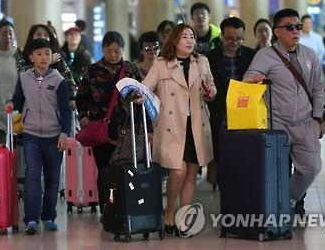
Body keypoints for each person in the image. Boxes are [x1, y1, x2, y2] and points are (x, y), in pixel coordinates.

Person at [243, 8, 325, 216]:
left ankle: (288, 199)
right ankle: (277, 207)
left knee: (311, 167)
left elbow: (318, 88)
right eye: (290, 27)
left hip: (306, 123)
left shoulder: (310, 55)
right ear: (277, 31)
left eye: (298, 26)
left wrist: (317, 119)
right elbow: (248, 81)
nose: (296, 31)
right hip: (277, 123)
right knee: (276, 171)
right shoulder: (265, 55)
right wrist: (255, 80)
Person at [141, 23, 215, 236]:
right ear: (173, 40)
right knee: (178, 170)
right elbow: (146, 87)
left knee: (191, 173)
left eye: (192, 36)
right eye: (184, 37)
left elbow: (212, 89)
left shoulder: (202, 62)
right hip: (172, 127)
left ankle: (184, 216)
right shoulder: (161, 64)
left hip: (196, 125)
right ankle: (169, 210)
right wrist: (138, 95)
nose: (190, 40)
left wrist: (210, 91)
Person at [5, 38, 72, 234]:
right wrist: (11, 104)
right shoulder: (24, 78)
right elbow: (18, 99)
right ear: (31, 57)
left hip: (54, 137)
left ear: (52, 57)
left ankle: (49, 216)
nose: (44, 57)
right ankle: (31, 220)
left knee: (52, 179)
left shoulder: (59, 80)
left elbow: (65, 110)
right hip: (31, 135)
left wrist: (64, 134)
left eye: (47, 54)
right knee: (32, 176)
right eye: (39, 54)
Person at [76, 31, 145, 212]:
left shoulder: (132, 70)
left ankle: (126, 206)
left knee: (127, 170)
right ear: (103, 49)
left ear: (123, 50)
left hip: (129, 130)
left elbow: (145, 97)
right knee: (105, 171)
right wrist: (83, 117)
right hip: (102, 132)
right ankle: (107, 207)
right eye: (109, 50)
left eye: (117, 51)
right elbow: (81, 98)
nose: (113, 55)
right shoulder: (92, 71)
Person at [205, 17, 256, 190]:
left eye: (238, 38)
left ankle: (241, 181)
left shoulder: (251, 55)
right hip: (219, 109)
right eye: (230, 39)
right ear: (221, 36)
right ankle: (222, 182)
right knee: (219, 147)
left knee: (244, 148)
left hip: (245, 109)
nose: (234, 42)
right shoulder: (210, 58)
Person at [0, 18, 24, 146]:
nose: (8, 36)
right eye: (4, 33)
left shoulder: (19, 55)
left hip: (17, 114)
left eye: (11, 33)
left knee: (17, 155)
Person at [22, 24, 77, 107]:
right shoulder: (24, 56)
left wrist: (72, 99)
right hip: (31, 106)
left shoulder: (57, 57)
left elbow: (70, 81)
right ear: (31, 37)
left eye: (46, 35)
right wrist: (47, 62)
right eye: (38, 34)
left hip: (56, 106)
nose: (42, 37)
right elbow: (21, 74)